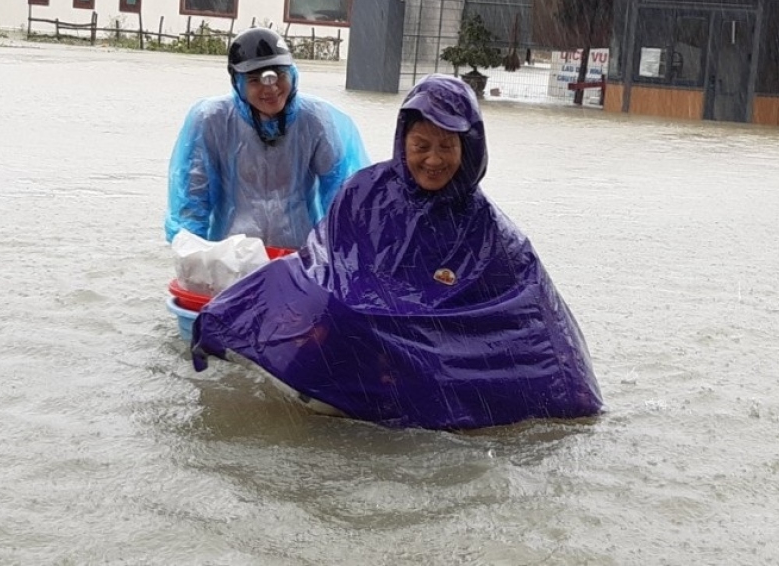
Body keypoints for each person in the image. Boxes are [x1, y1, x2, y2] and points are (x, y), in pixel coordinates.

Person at [190, 74, 603, 430]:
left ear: (469, 147)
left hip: (434, 364)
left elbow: (535, 320)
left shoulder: (492, 231)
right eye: (421, 145)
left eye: (447, 146)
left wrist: (574, 397)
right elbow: (320, 264)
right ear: (402, 141)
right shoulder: (363, 193)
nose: (433, 160)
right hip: (364, 345)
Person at [165, 27, 369, 251]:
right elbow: (192, 200)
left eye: (280, 76)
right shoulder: (212, 120)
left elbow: (340, 193)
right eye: (255, 80)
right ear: (237, 82)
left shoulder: (316, 120)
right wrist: (193, 255)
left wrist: (339, 252)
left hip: (297, 258)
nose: (270, 88)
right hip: (231, 256)